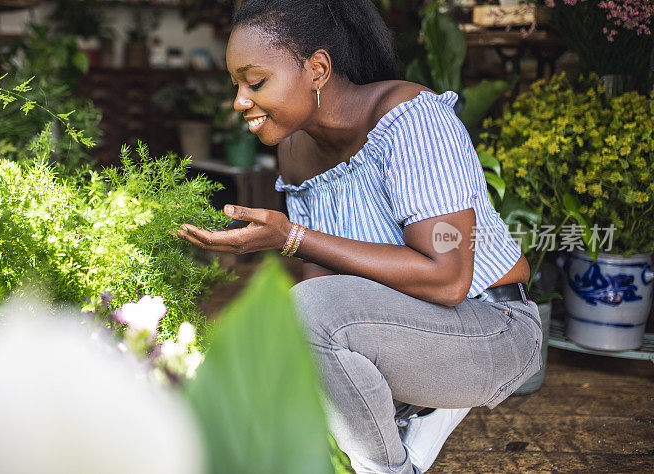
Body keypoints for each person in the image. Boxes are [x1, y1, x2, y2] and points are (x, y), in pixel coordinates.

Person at [175, 0, 543, 472]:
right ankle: (412, 411)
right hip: (406, 331)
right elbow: (322, 289)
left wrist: (291, 237)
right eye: (236, 86)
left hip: (494, 327)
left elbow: (447, 278)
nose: (239, 101)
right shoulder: (296, 152)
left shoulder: (412, 121)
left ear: (318, 68)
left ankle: (387, 466)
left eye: (256, 82)